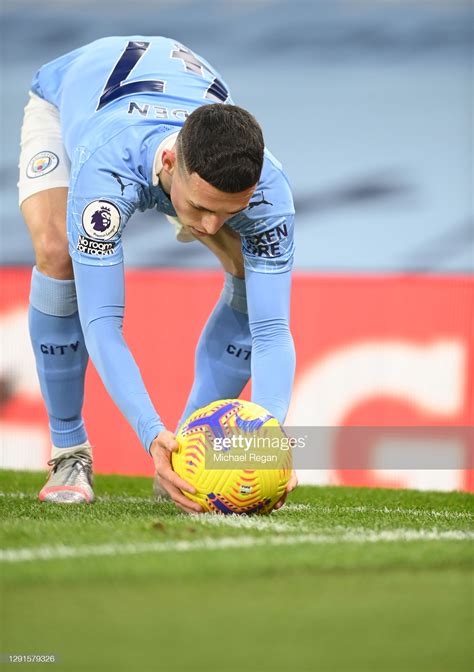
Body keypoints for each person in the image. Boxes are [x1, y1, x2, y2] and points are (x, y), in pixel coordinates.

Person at [18, 36, 297, 511]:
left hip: (178, 114)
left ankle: (188, 456)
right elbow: (102, 323)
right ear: (170, 165)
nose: (211, 226)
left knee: (248, 277)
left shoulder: (270, 192)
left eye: (230, 212)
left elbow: (271, 329)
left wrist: (268, 438)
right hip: (70, 105)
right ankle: (69, 453)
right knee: (57, 252)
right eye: (202, 208)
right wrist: (151, 433)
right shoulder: (106, 172)